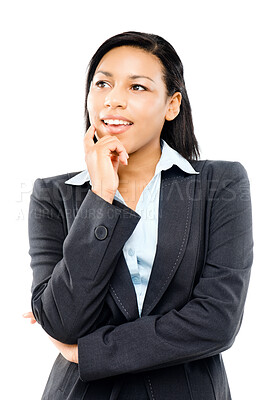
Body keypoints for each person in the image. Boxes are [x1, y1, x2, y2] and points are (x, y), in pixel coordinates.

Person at [24, 31, 253, 399]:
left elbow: (217, 321)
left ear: (172, 104)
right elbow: (63, 322)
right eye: (103, 84)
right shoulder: (52, 195)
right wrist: (101, 197)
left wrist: (91, 352)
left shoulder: (221, 184)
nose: (113, 100)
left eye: (137, 88)